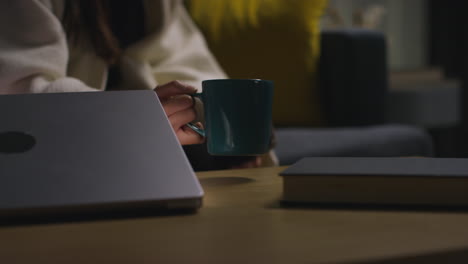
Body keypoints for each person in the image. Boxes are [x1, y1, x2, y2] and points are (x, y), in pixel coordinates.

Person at [0, 0, 277, 170]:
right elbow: (19, 90)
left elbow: (183, 59)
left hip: (145, 141)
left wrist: (217, 122)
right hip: (78, 144)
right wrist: (131, 115)